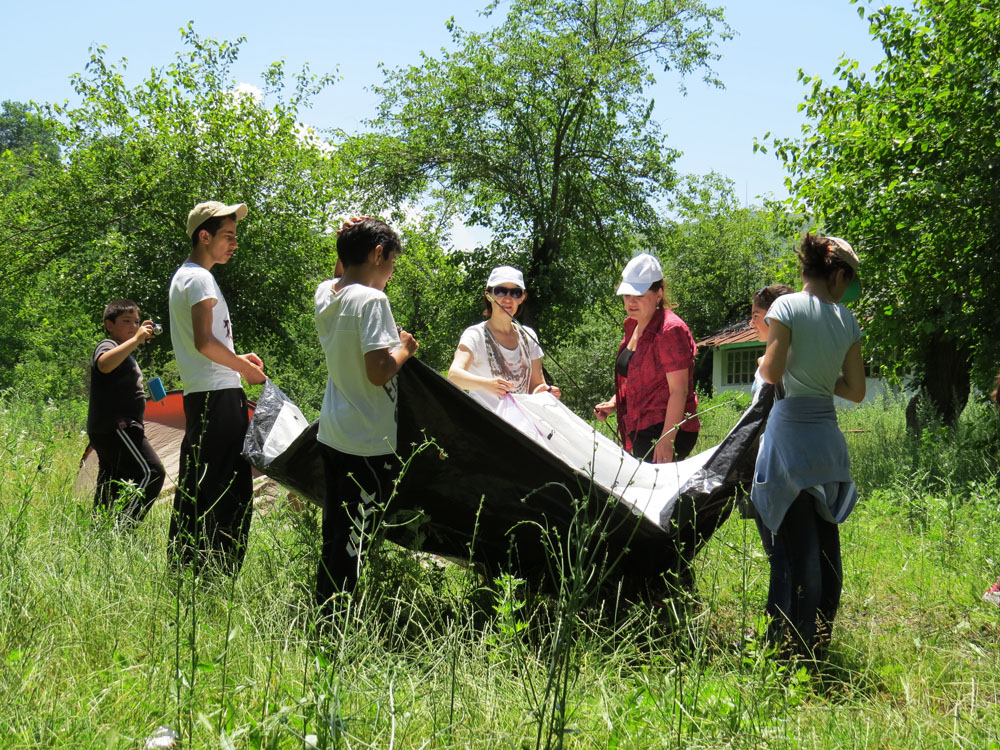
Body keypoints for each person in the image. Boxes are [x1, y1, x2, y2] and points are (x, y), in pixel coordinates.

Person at [751, 234, 866, 658]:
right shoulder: (847, 320)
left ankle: (793, 650)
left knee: (796, 551)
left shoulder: (786, 307)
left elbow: (773, 371)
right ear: (837, 275)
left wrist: (770, 358)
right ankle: (820, 637)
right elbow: (855, 390)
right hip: (827, 442)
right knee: (826, 543)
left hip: (790, 441)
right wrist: (821, 376)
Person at [314, 217, 418, 614]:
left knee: (336, 531)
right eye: (391, 263)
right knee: (352, 539)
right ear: (378, 255)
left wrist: (346, 238)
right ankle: (335, 624)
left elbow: (341, 271)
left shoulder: (328, 293)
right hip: (366, 441)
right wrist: (405, 348)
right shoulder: (372, 301)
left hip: (334, 431)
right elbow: (378, 372)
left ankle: (328, 611)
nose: (390, 274)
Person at [167, 200, 266, 574]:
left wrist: (240, 357)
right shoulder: (200, 278)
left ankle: (183, 570)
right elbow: (204, 342)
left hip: (202, 396)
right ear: (203, 236)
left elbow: (209, 345)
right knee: (230, 491)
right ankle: (217, 576)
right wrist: (245, 370)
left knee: (198, 487)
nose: (234, 243)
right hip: (219, 396)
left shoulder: (186, 276)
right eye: (227, 235)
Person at [593, 254, 700, 463]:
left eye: (639, 295)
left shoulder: (670, 330)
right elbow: (636, 377)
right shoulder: (632, 324)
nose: (631, 301)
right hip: (639, 426)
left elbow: (679, 390)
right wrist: (614, 403)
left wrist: (666, 439)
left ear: (658, 294)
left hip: (666, 429)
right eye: (626, 295)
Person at [86, 299, 166, 527]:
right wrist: (136, 339)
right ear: (109, 325)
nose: (133, 326)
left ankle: (99, 533)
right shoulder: (107, 345)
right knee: (152, 473)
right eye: (126, 321)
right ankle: (121, 529)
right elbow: (104, 365)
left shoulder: (126, 351)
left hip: (113, 428)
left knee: (111, 482)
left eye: (137, 322)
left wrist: (135, 341)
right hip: (116, 427)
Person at [447, 265, 560, 410]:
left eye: (515, 293)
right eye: (500, 291)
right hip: (485, 423)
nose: (508, 298)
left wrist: (545, 392)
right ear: (489, 295)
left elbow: (536, 386)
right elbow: (454, 376)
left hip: (523, 425)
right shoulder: (475, 334)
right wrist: (487, 384)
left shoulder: (529, 335)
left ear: (522, 298)